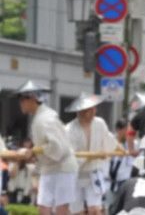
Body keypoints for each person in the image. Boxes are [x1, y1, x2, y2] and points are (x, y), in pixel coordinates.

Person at [15, 80, 79, 215]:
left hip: (63, 167)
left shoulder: (46, 119)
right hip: (49, 167)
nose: (20, 103)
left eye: (22, 99)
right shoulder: (39, 118)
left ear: (32, 99)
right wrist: (34, 153)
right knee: (43, 208)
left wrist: (34, 151)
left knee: (61, 209)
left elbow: (58, 147)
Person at [64, 93, 119, 215]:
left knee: (95, 209)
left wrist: (120, 148)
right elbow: (71, 155)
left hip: (94, 171)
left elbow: (108, 139)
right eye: (90, 109)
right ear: (81, 111)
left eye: (94, 108)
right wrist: (93, 155)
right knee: (76, 211)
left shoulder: (99, 123)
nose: (94, 111)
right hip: (76, 174)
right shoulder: (69, 129)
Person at [109, 119, 135, 194]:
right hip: (110, 182)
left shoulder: (132, 144)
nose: (129, 132)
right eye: (126, 129)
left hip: (126, 181)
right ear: (118, 130)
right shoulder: (110, 142)